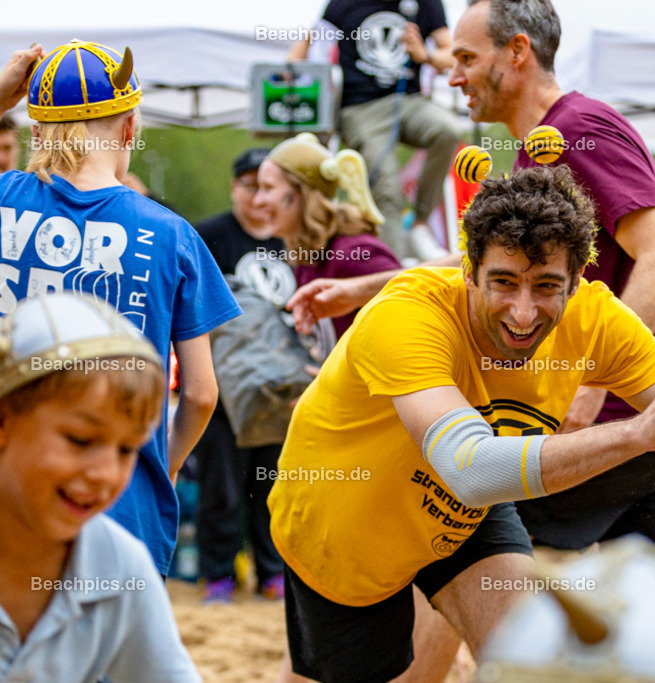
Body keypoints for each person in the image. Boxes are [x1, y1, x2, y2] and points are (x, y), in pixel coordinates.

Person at [267, 166, 655, 682]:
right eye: (503, 283)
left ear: (576, 283)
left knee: (536, 660)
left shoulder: (596, 320)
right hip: (345, 519)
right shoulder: (408, 315)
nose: (523, 313)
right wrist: (636, 434)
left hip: (461, 514)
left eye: (547, 286)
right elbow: (471, 467)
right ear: (468, 270)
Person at [445, 0, 655, 558]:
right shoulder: (542, 145)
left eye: (466, 57)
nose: (453, 75)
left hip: (610, 412)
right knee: (644, 601)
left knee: (459, 538)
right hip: (645, 414)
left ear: (517, 51)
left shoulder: (576, 130)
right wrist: (367, 287)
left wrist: (588, 388)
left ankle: (423, 652)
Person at [0, 40, 241, 576]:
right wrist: (161, 466)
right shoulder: (171, 234)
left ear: (36, 133)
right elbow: (201, 396)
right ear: (130, 129)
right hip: (117, 503)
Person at [0, 293, 199, 681]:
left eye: (128, 449)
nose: (106, 473)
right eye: (79, 439)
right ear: (4, 422)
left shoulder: (119, 565)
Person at [289, 0, 460, 261]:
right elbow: (309, 45)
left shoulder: (426, 4)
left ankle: (420, 224)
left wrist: (426, 55)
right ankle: (394, 270)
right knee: (386, 186)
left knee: (448, 129)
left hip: (410, 101)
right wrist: (292, 69)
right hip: (360, 108)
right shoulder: (342, 4)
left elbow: (452, 54)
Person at [193, 148, 290, 602]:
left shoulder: (294, 238)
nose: (257, 197)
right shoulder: (207, 236)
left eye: (267, 186)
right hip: (220, 388)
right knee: (221, 487)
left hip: (279, 390)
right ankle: (217, 574)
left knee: (271, 487)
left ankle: (273, 572)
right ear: (234, 188)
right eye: (249, 185)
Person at [255, 133, 401, 340]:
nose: (258, 201)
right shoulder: (311, 254)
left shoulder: (355, 255)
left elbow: (406, 316)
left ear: (303, 192)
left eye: (268, 188)